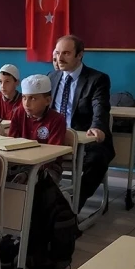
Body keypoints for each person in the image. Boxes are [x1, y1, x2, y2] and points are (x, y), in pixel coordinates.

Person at [49, 35, 114, 210]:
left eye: (66, 53)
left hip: (85, 138)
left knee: (97, 160)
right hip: (55, 138)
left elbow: (100, 106)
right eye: (57, 53)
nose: (60, 58)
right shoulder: (51, 77)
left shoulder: (97, 79)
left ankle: (71, 206)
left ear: (79, 55)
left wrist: (97, 126)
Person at [8, 74, 67, 183]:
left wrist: (30, 169)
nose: (26, 103)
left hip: (48, 166)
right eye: (24, 98)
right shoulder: (19, 113)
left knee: (38, 180)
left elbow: (52, 153)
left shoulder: (57, 119)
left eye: (33, 98)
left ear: (47, 100)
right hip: (21, 162)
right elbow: (11, 142)